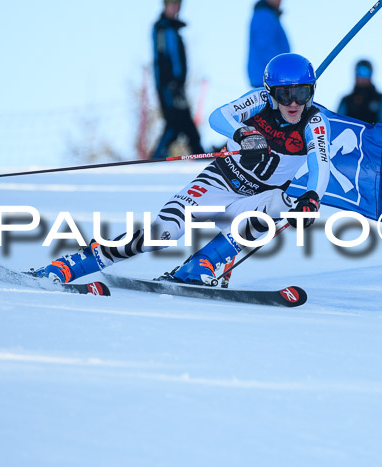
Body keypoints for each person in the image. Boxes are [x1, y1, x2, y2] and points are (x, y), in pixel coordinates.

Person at [29, 53, 331, 286]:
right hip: (220, 182)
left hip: (257, 197)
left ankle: (199, 265)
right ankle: (70, 265)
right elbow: (219, 117)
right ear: (270, 92)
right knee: (162, 232)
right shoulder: (258, 100)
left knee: (283, 205)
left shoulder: (315, 122)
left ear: (312, 92)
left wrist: (311, 199)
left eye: (301, 94)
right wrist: (243, 134)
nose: (293, 103)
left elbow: (320, 164)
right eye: (284, 94)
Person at [151, 0, 204, 159]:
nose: (175, 8)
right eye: (171, 4)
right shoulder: (162, 28)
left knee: (185, 124)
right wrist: (170, 83)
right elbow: (162, 58)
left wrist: (178, 82)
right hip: (168, 86)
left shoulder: (173, 29)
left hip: (177, 86)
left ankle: (201, 156)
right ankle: (156, 158)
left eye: (177, 5)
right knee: (174, 124)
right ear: (165, 6)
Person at [247, 0, 290, 88]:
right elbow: (264, 46)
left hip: (271, 77)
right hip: (270, 78)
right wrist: (281, 72)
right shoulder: (264, 15)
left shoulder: (268, 15)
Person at [337, 59, 382, 124]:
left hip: (374, 134)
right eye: (359, 72)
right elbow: (338, 123)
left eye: (366, 73)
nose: (362, 77)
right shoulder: (347, 101)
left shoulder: (380, 99)